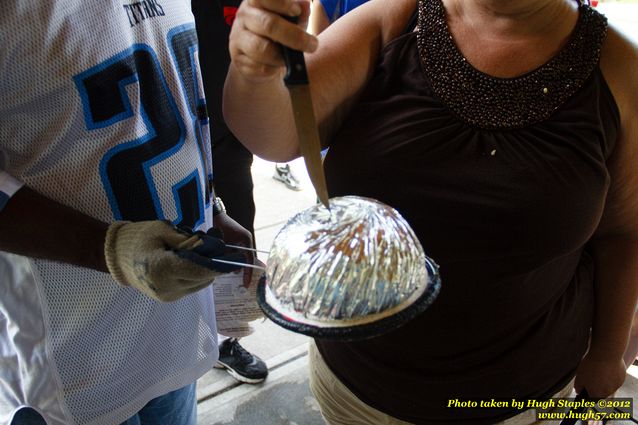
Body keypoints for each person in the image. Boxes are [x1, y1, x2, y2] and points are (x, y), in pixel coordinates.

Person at [224, 0, 638, 423]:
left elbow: (625, 233)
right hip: (354, 388)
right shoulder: (392, 20)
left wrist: (610, 351)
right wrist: (254, 74)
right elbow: (276, 134)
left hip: (517, 400)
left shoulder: (622, 70)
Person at [0, 1, 255, 424]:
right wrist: (111, 249)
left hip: (170, 329)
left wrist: (209, 208)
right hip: (72, 359)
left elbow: (164, 97)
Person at [192, 0, 269, 385]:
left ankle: (228, 339)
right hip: (172, 108)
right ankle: (186, 335)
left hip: (229, 119)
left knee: (237, 222)